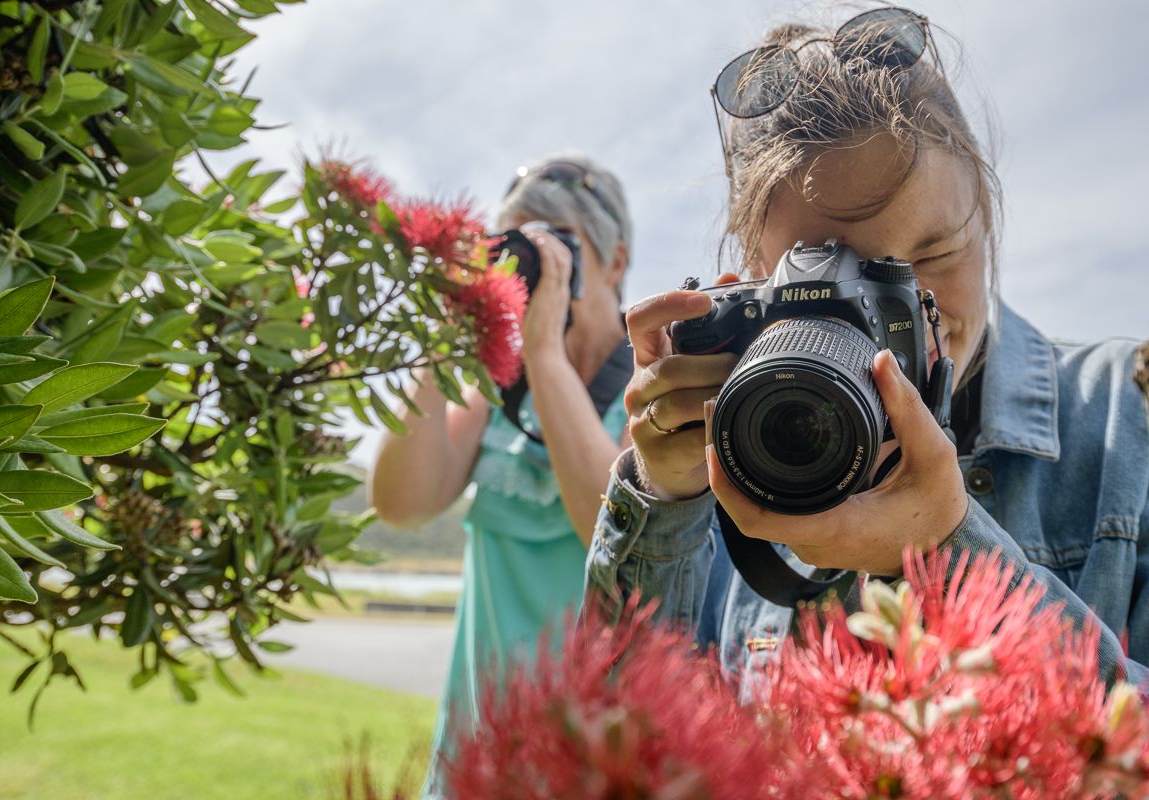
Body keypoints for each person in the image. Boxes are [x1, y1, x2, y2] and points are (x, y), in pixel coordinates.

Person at [585, 6, 1149, 687]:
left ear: (986, 223)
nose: (906, 310)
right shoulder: (733, 450)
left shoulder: (1129, 421)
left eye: (934, 255)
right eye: (833, 276)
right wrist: (664, 503)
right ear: (751, 282)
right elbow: (630, 742)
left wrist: (948, 552)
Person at [369, 154, 634, 797]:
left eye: (557, 246)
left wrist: (543, 351)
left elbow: (618, 530)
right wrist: (454, 338)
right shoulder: (498, 390)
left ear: (617, 263)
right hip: (475, 757)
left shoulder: (646, 388)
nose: (535, 268)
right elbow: (401, 504)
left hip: (591, 763)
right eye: (519, 248)